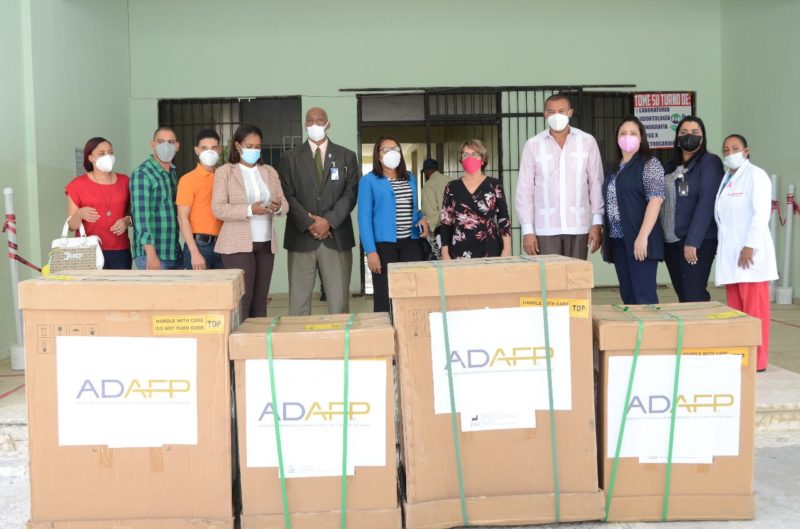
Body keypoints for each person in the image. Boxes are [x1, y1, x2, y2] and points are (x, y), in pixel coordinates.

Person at [278, 107, 359, 316]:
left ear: (328, 123)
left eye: (319, 120)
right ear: (305, 125)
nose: (314, 124)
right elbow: (287, 195)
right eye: (310, 121)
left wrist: (328, 221)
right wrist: (311, 224)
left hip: (336, 236)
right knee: (298, 305)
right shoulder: (290, 158)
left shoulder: (346, 156)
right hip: (301, 236)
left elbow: (350, 194)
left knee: (339, 303)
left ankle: (341, 346)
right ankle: (301, 346)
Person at [715, 134, 778, 372]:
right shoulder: (727, 178)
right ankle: (741, 356)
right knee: (737, 312)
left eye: (735, 148)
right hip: (732, 256)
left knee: (755, 312)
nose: (730, 153)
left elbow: (761, 212)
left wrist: (750, 244)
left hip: (750, 256)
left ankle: (758, 361)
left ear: (746, 151)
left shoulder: (756, 175)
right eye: (726, 149)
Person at [212, 124, 288, 318]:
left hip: (265, 243)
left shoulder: (269, 171)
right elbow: (218, 208)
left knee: (261, 300)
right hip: (237, 244)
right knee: (243, 299)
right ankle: (241, 344)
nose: (254, 150)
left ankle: (258, 345)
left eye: (257, 146)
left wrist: (277, 207)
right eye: (249, 145)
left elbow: (284, 204)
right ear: (238, 146)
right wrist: (249, 209)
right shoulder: (225, 172)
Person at [515, 93, 604, 258]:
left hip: (579, 226)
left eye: (561, 111)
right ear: (545, 114)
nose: (556, 115)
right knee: (549, 281)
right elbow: (524, 190)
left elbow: (596, 184)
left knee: (576, 280)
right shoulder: (533, 145)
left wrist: (597, 222)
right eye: (551, 111)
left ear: (570, 112)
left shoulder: (587, 142)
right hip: (545, 228)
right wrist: (527, 230)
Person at [358, 136, 429, 312]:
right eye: (386, 150)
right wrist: (370, 251)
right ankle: (386, 334)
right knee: (384, 294)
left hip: (410, 242)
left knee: (411, 291)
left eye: (396, 149)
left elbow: (413, 208)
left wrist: (422, 218)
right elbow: (364, 218)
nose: (392, 153)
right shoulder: (369, 181)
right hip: (383, 245)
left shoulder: (410, 178)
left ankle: (409, 331)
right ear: (378, 155)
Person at [602, 117, 665, 305]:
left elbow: (656, 199)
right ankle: (634, 334)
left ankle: (653, 334)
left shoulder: (649, 163)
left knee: (644, 296)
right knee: (628, 295)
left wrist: (643, 236)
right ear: (616, 138)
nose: (627, 137)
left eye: (633, 133)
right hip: (618, 240)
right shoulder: (614, 167)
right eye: (623, 133)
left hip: (640, 240)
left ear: (641, 138)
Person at [660, 116, 724, 302]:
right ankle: (689, 331)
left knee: (694, 293)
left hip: (697, 242)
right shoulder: (670, 166)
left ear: (702, 138)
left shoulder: (709, 162)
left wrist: (693, 241)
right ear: (677, 138)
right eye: (684, 133)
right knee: (682, 293)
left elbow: (707, 202)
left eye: (695, 133)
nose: (690, 136)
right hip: (672, 241)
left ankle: (703, 331)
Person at [65, 137, 132, 269]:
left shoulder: (125, 181)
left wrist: (126, 221)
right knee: (90, 289)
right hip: (87, 249)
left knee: (119, 289)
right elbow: (72, 226)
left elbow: (135, 215)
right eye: (101, 153)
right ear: (90, 158)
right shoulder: (77, 185)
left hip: (120, 250)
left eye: (110, 152)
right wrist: (79, 214)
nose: (108, 156)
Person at [440, 139, 511, 260]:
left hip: (489, 248)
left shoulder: (495, 186)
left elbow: (503, 219)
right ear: (461, 160)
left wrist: (507, 249)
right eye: (465, 155)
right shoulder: (451, 187)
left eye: (474, 154)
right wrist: (444, 252)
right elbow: (446, 222)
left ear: (483, 159)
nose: (469, 158)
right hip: (459, 249)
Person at [130, 127, 183, 270]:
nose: (166, 146)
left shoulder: (172, 173)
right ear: (153, 144)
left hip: (173, 252)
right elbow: (141, 217)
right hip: (152, 255)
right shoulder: (143, 173)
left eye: (170, 142)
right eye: (161, 141)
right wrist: (151, 254)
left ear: (177, 146)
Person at [176, 128, 224, 270]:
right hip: (200, 246)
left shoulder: (223, 177)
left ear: (219, 150)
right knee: (198, 292)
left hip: (223, 246)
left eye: (213, 148)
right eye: (204, 148)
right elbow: (182, 218)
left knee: (222, 292)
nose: (209, 152)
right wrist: (194, 252)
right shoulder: (188, 180)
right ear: (197, 150)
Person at [419, 158, 448, 260]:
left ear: (427, 171)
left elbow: (431, 214)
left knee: (440, 262)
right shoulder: (451, 180)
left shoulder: (428, 186)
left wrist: (428, 232)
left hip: (440, 230)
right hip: (457, 229)